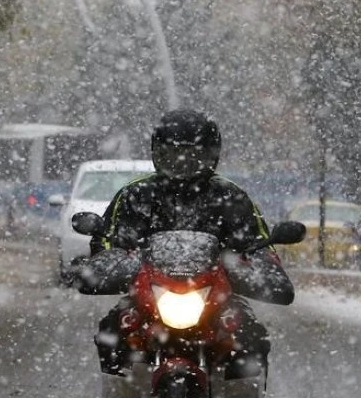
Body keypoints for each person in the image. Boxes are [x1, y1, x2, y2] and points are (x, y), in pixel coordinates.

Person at [89, 109, 294, 376]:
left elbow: (257, 246)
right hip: (148, 297)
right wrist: (100, 266)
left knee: (250, 336)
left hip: (216, 298)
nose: (182, 162)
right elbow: (109, 241)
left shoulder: (232, 197)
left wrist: (263, 268)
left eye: (193, 154)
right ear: (157, 153)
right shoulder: (134, 195)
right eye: (173, 154)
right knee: (113, 331)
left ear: (212, 155)